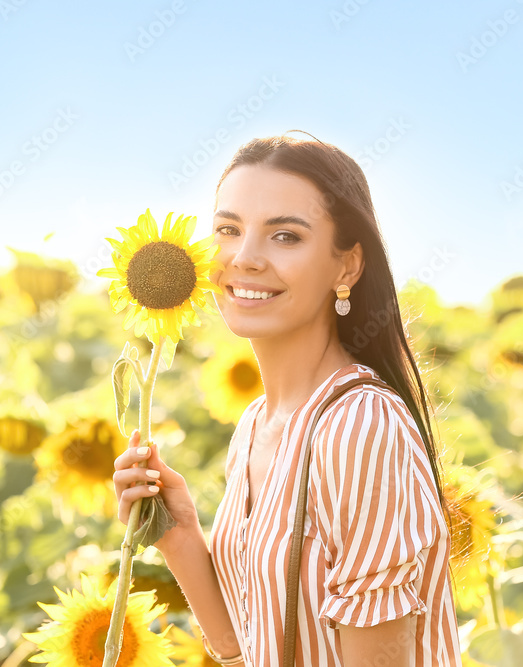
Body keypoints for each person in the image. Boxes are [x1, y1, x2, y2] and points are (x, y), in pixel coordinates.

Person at [113, 131, 463, 666]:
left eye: (285, 237)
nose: (244, 258)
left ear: (347, 266)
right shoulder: (255, 425)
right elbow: (245, 654)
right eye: (228, 230)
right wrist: (181, 540)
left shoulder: (361, 424)